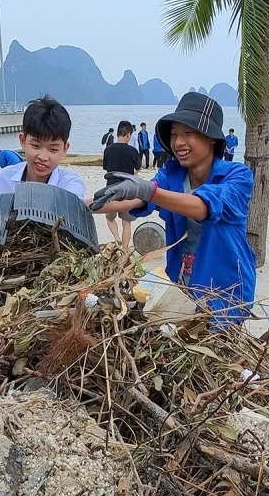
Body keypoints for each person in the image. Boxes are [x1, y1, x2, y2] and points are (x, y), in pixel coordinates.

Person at [89, 91, 256, 326]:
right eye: (174, 134)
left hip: (223, 294)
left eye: (188, 133)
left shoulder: (237, 177)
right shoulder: (172, 173)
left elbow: (201, 207)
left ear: (212, 139)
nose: (178, 142)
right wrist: (78, 204)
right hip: (180, 286)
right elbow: (132, 201)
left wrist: (148, 191)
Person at [0, 96, 84, 198]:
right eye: (36, 146)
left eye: (53, 149)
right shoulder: (3, 178)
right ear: (23, 141)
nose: (43, 157)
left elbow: (72, 204)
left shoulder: (69, 184)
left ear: (65, 149)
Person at [100, 120, 141, 244]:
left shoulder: (108, 150)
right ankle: (124, 248)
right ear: (128, 134)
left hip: (111, 189)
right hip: (127, 189)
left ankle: (117, 239)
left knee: (110, 218)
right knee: (126, 222)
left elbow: (106, 168)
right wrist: (133, 174)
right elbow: (138, 167)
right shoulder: (133, 151)